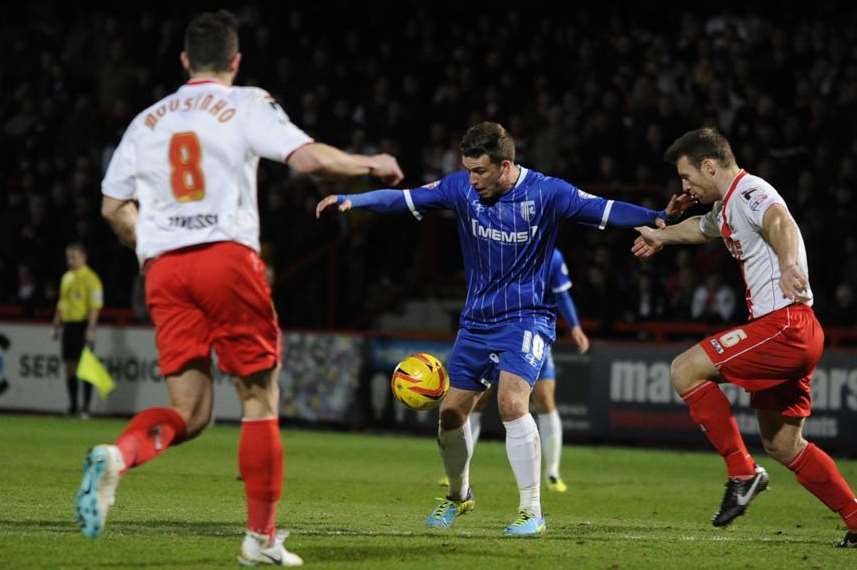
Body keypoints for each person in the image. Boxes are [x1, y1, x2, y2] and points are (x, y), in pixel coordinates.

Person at [75, 10, 403, 567]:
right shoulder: (246, 102)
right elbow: (307, 160)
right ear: (235, 61)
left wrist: (148, 243)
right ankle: (261, 538)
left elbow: (111, 207)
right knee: (258, 397)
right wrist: (371, 164)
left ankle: (119, 454)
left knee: (192, 412)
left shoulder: (147, 120)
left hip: (164, 268)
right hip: (224, 256)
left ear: (184, 61)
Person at [317, 121, 689, 536]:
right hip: (476, 322)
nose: (471, 180)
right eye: (468, 170)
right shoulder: (460, 189)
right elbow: (406, 199)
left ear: (505, 166)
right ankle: (459, 496)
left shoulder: (548, 193)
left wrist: (657, 217)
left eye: (479, 171)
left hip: (527, 317)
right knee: (451, 412)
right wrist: (354, 199)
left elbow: (605, 208)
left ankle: (532, 511)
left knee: (512, 402)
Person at [633, 127, 857, 548]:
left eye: (686, 177)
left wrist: (789, 264)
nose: (685, 186)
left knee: (685, 370)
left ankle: (742, 472)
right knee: (783, 443)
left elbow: (780, 221)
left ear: (709, 165)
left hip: (785, 325)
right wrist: (662, 234)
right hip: (797, 329)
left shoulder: (751, 191)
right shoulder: (728, 204)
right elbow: (703, 227)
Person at [459, 247, 590, 493]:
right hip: (493, 330)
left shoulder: (551, 254)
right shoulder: (496, 245)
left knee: (544, 399)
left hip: (530, 331)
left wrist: (575, 327)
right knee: (476, 400)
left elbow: (562, 294)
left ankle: (552, 472)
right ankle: (461, 470)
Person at [52, 242, 103, 418]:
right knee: (69, 367)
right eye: (68, 257)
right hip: (69, 325)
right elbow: (61, 302)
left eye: (74, 256)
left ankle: (86, 408)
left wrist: (90, 329)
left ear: (83, 257)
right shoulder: (66, 278)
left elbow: (95, 307)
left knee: (85, 368)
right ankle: (73, 406)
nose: (70, 260)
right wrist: (56, 324)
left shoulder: (92, 279)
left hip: (83, 325)